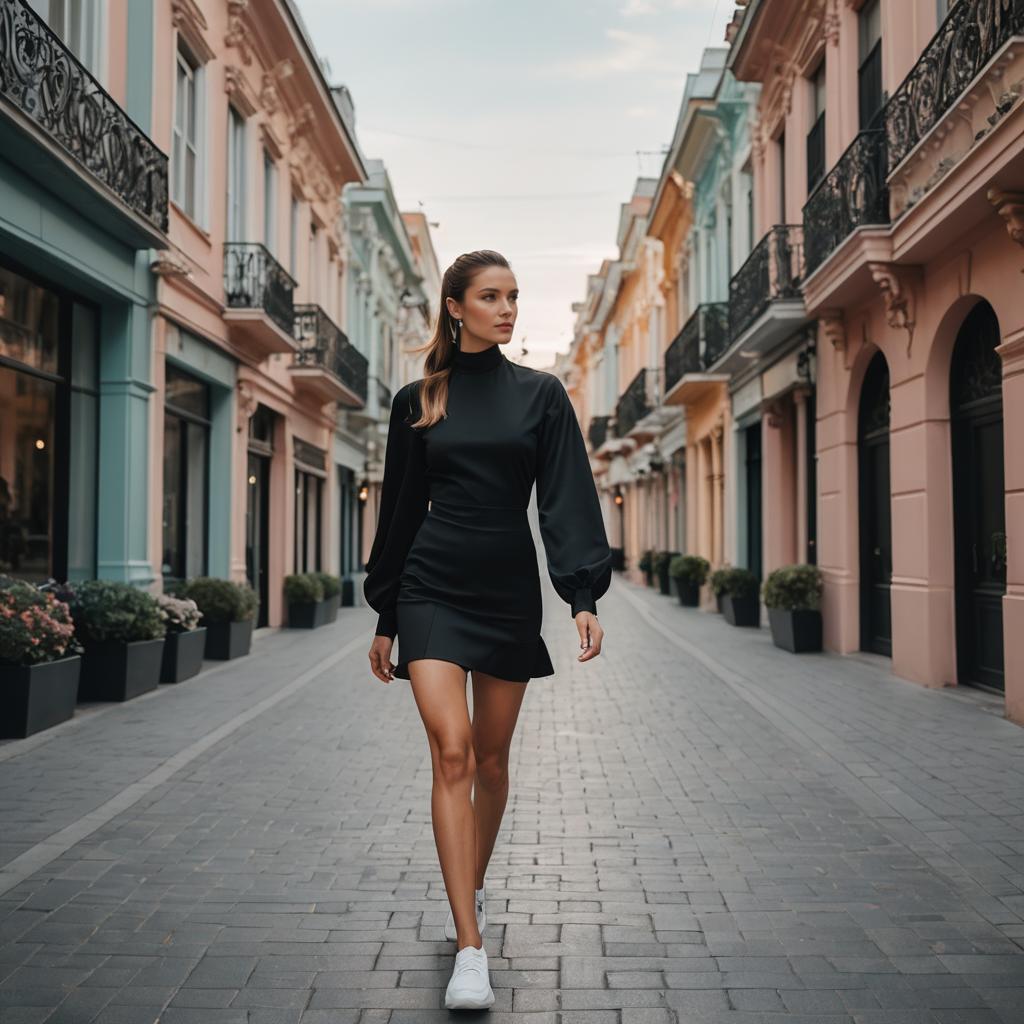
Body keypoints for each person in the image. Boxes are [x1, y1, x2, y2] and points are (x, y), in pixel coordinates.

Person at [363, 249, 612, 1010]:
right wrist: (385, 612)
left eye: (513, 296)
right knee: (454, 751)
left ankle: (466, 882)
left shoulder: (540, 395)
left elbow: (565, 495)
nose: (507, 309)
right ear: (455, 307)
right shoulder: (419, 399)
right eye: (491, 296)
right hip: (430, 588)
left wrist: (581, 594)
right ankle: (470, 946)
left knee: (495, 762)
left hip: (506, 588)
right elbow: (400, 509)